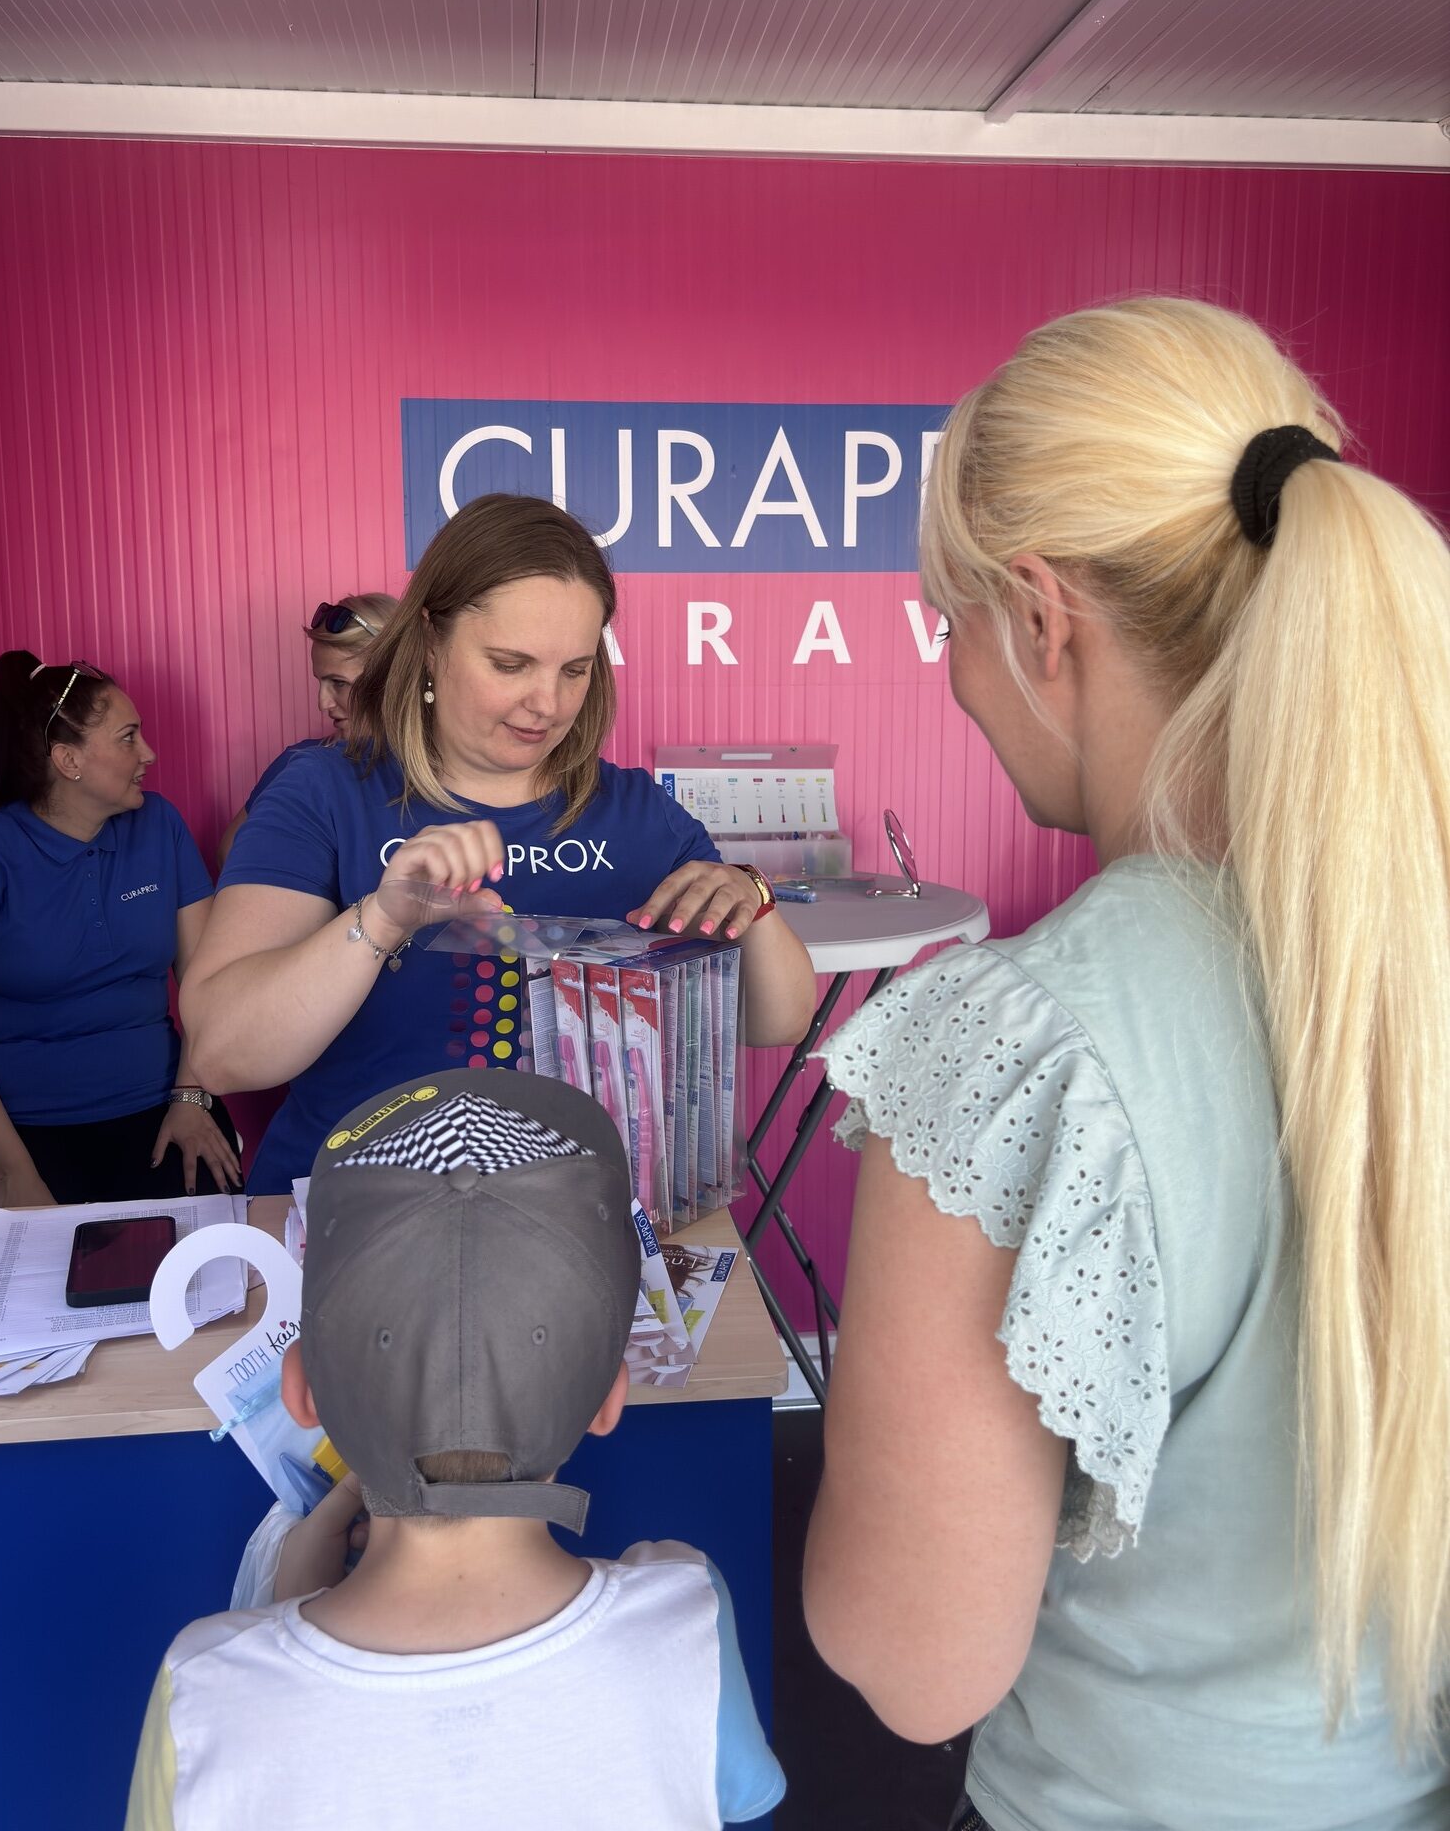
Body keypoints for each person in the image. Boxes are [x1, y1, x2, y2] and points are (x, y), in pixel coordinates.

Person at [801, 299, 1450, 1830]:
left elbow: (916, 1663)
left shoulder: (1022, 1046)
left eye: (949, 624)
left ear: (1043, 620)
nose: (955, 678)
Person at [124, 1070, 785, 1830]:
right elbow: (737, 1794)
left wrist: (282, 1612)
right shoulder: (687, 1610)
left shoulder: (203, 1692)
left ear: (302, 1393)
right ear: (611, 1398)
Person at [182, 494, 815, 1194]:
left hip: (574, 1220)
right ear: (430, 642)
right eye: (511, 664)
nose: (548, 704)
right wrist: (381, 920)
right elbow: (222, 1052)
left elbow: (779, 1022)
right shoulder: (322, 793)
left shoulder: (641, 815)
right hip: (352, 1210)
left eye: (574, 670)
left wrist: (752, 896)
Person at [0, 654, 241, 1208]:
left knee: (216, 1244)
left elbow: (209, 986)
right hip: (13, 1132)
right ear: (68, 760)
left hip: (161, 1111)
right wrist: (12, 1174)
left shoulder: (160, 825)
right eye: (128, 738)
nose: (148, 753)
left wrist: (191, 1098)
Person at [217, 592, 397, 868]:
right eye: (320, 682)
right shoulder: (300, 762)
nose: (322, 703)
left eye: (338, 683)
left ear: (391, 678)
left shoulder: (448, 767)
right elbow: (230, 854)